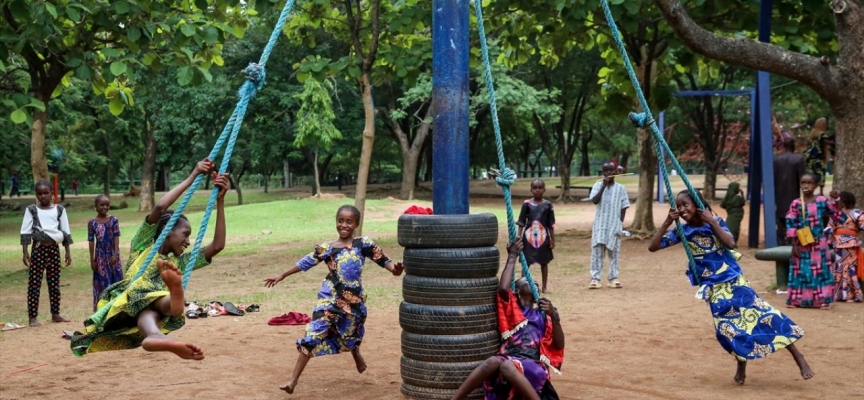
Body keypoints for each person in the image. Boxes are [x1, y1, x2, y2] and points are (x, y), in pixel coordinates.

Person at [649, 190, 814, 385]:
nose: (683, 209)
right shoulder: (682, 232)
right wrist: (667, 222)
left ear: (697, 205)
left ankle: (799, 357)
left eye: (686, 204)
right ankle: (741, 363)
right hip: (713, 287)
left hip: (734, 281)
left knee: (765, 316)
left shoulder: (715, 222)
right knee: (727, 330)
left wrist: (711, 221)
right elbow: (653, 246)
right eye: (679, 206)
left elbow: (731, 243)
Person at [70, 158, 228, 360]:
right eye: (185, 234)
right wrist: (193, 175)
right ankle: (176, 292)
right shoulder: (143, 245)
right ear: (168, 231)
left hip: (149, 306)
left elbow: (217, 246)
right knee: (157, 302)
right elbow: (161, 207)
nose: (188, 241)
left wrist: (220, 201)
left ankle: (157, 335)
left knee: (153, 313)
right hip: (132, 297)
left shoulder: (177, 263)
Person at [263, 205, 404, 394]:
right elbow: (305, 263)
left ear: (356, 224)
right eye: (340, 220)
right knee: (314, 333)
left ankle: (356, 353)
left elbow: (383, 260)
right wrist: (282, 275)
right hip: (329, 298)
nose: (343, 225)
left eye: (349, 221)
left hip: (354, 300)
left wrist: (394, 270)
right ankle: (292, 381)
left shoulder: (364, 244)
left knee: (351, 331)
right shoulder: (326, 248)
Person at [451, 238, 564, 400]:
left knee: (506, 365)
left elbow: (559, 344)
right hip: (508, 360)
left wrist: (555, 318)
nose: (533, 281)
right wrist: (512, 256)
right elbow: (503, 288)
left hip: (532, 365)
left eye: (536, 282)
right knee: (492, 362)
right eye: (527, 280)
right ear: (516, 290)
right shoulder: (512, 309)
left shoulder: (543, 314)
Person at [19, 180, 72, 327]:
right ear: (36, 195)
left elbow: (65, 231)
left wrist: (67, 252)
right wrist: (25, 252)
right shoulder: (32, 210)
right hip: (38, 249)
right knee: (34, 284)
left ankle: (55, 314)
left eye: (46, 193)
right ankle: (32, 317)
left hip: (54, 250)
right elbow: (25, 231)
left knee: (54, 283)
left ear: (52, 194)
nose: (43, 196)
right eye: (39, 193)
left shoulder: (59, 209)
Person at [784, 173, 841, 309]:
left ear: (816, 186)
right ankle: (797, 300)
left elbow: (838, 217)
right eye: (803, 183)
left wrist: (836, 200)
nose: (806, 186)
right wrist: (794, 244)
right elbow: (790, 223)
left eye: (809, 183)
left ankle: (823, 300)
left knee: (820, 271)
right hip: (801, 243)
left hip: (819, 244)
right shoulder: (796, 203)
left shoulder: (822, 201)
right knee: (800, 271)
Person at [587, 162, 630, 289]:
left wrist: (620, 223)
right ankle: (595, 278)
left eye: (611, 170)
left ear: (615, 172)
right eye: (606, 170)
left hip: (614, 225)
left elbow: (624, 207)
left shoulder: (621, 188)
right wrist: (603, 186)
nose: (608, 173)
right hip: (600, 224)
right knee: (597, 251)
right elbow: (594, 200)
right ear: (603, 172)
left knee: (614, 251)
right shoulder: (597, 185)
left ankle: (613, 278)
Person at [517, 179, 556, 293]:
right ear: (531, 189)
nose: (537, 190)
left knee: (544, 262)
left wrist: (552, 239)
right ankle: (523, 286)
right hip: (529, 238)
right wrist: (519, 237)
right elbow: (521, 222)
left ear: (544, 189)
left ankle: (544, 287)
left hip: (543, 238)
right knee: (526, 263)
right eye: (535, 188)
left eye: (540, 188)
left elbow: (551, 224)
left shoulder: (548, 205)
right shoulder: (527, 204)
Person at [88, 195, 124, 311]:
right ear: (96, 206)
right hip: (100, 257)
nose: (105, 207)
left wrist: (115, 254)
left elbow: (116, 237)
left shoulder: (114, 220)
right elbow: (91, 241)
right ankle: (102, 309)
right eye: (102, 205)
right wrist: (92, 260)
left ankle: (117, 308)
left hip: (113, 257)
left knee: (116, 282)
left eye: (107, 205)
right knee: (102, 284)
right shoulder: (92, 223)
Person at [830, 191, 863, 302]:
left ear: (843, 202)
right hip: (840, 245)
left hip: (850, 245)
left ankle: (846, 295)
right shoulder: (836, 214)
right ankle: (846, 295)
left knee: (846, 267)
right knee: (842, 267)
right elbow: (830, 228)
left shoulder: (857, 213)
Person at [773, 136, 806, 243]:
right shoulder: (799, 159)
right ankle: (791, 239)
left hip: (779, 194)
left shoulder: (777, 159)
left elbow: (773, 178)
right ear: (793, 146)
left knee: (780, 218)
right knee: (793, 217)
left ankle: (780, 240)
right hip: (793, 194)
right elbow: (803, 179)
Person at [804, 118, 834, 195]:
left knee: (811, 176)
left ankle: (810, 191)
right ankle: (821, 193)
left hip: (810, 159)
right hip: (819, 159)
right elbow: (826, 143)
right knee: (820, 176)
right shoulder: (823, 135)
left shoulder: (813, 134)